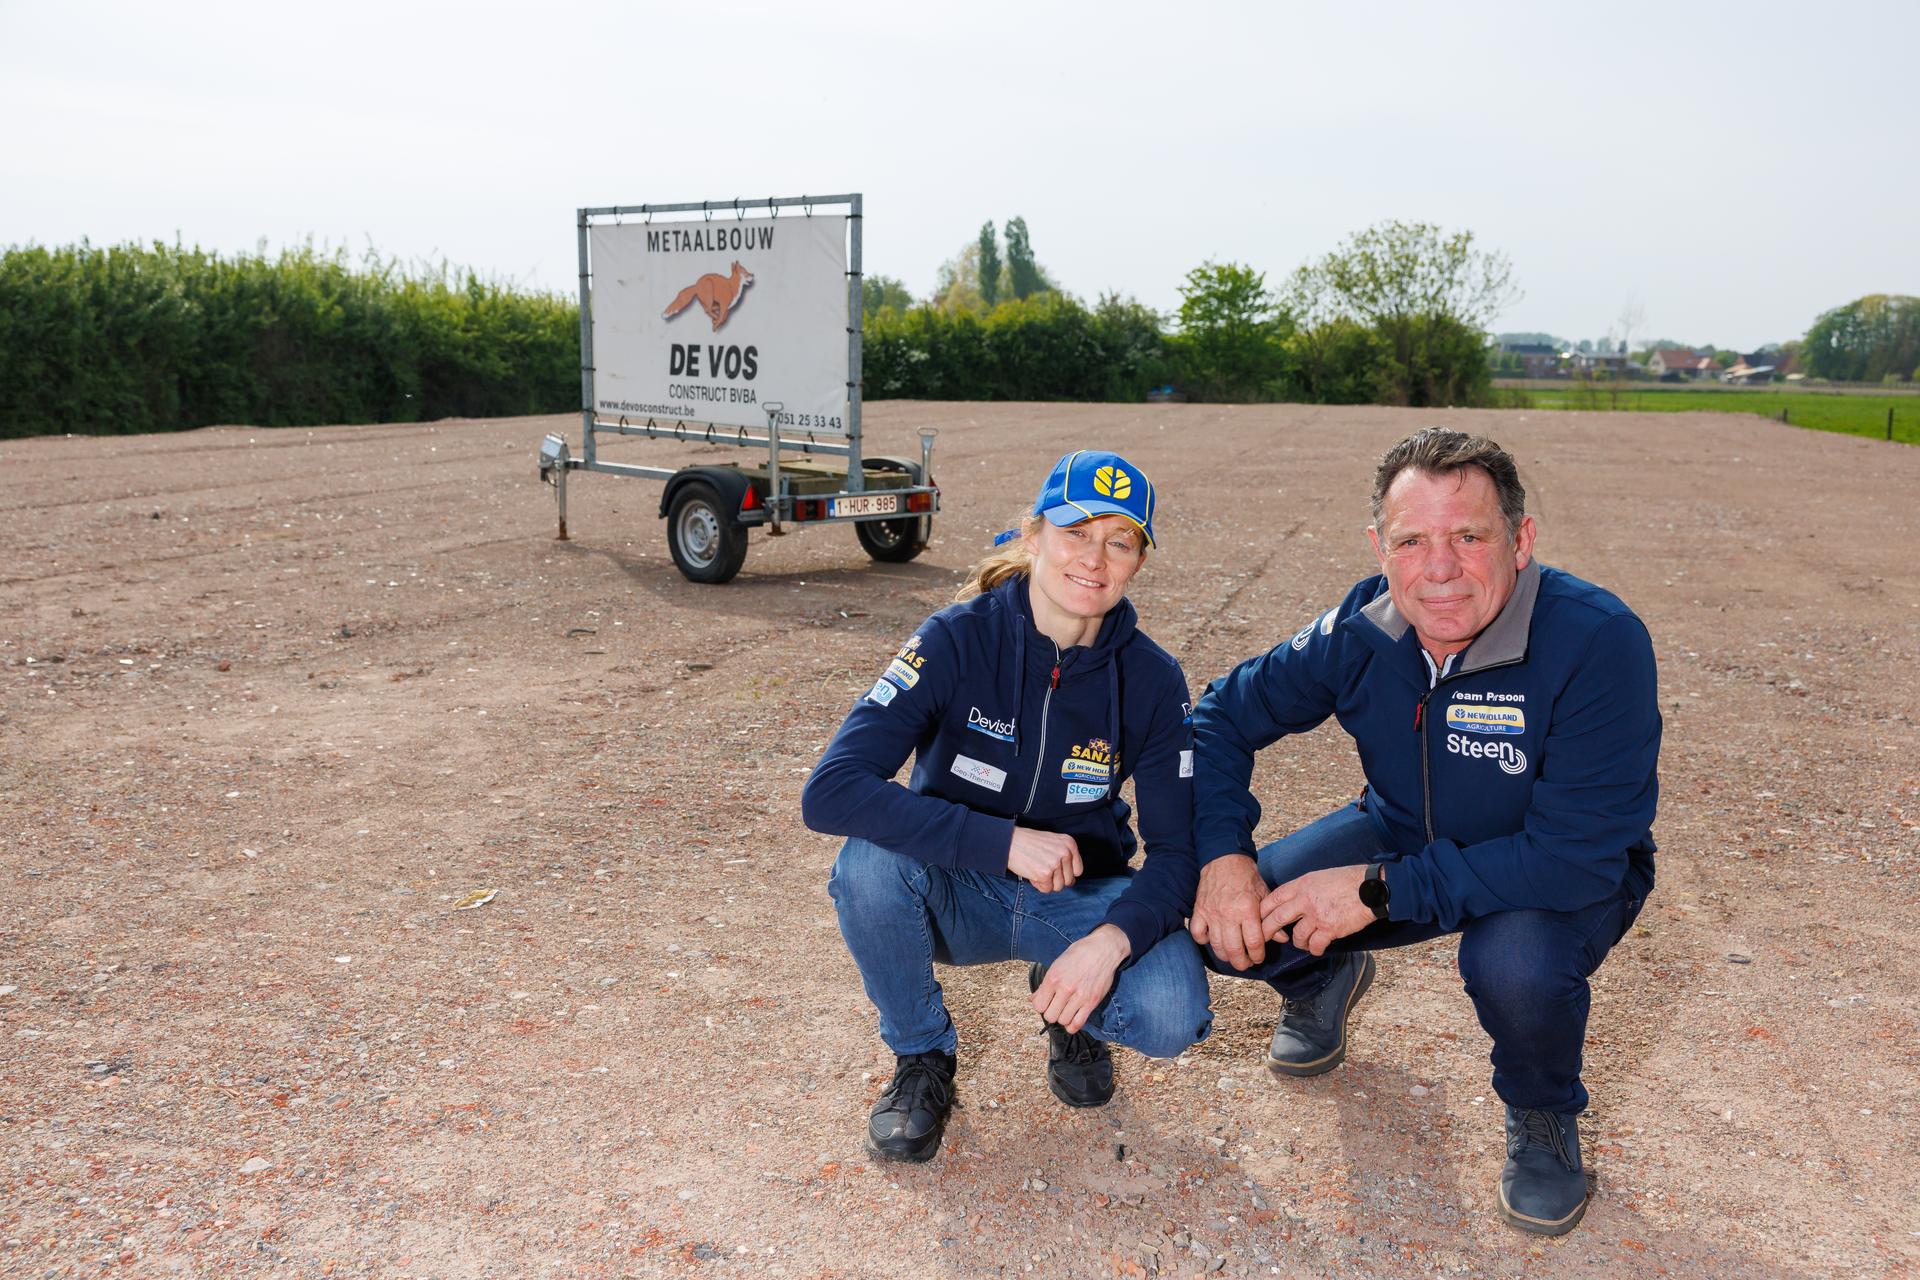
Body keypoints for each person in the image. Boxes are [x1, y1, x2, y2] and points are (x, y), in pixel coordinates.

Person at [1189, 427, 1660, 1236]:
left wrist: (1378, 891)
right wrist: (1225, 857)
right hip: (1401, 833)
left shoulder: (1597, 639)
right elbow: (1215, 721)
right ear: (1380, 547)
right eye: (1412, 541)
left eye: (1469, 537)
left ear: (1521, 540)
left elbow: (1574, 858)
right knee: (1228, 923)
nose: (1438, 569)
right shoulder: (1361, 626)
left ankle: (1542, 1115)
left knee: (1513, 959)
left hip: (1552, 875)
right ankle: (1320, 984)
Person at [802, 450, 1211, 1164]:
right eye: (1076, 532)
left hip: (1078, 897)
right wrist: (1001, 841)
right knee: (867, 866)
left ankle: (1072, 1003)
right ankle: (922, 1057)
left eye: (1120, 540)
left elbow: (1178, 855)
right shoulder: (955, 639)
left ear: (1139, 560)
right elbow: (831, 791)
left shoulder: (1151, 678)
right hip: (954, 890)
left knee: (1173, 1011)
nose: (1095, 558)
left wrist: (1105, 946)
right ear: (1033, 536)